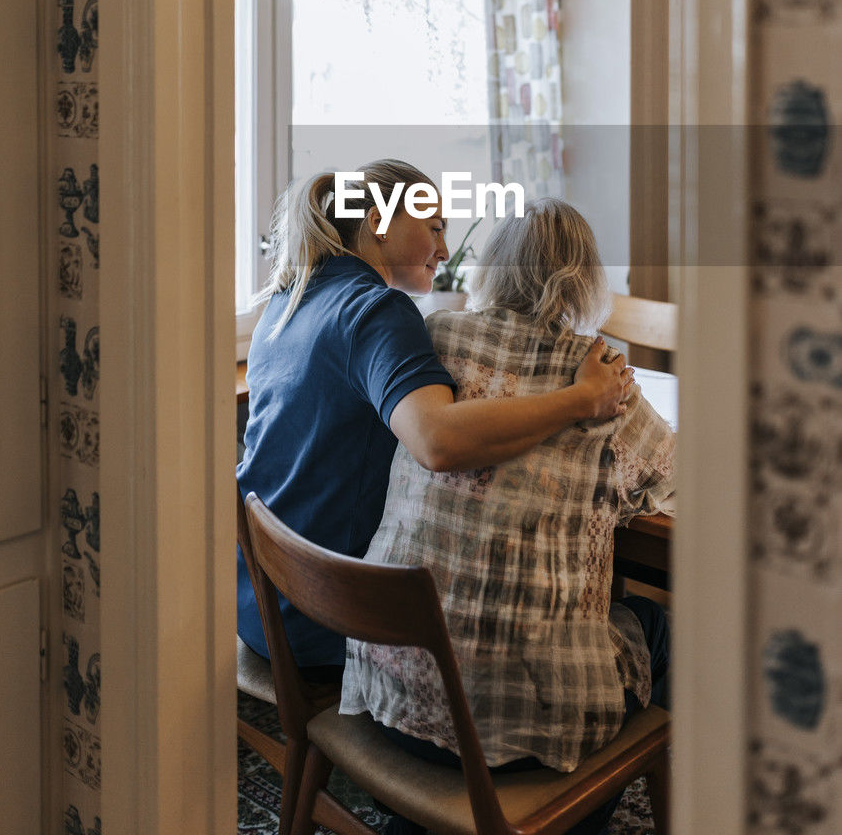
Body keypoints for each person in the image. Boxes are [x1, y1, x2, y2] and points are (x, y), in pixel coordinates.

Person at [340, 198, 675, 834]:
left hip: (389, 698)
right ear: (583, 280)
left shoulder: (436, 339)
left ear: (493, 266)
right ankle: (580, 812)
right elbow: (677, 478)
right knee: (659, 631)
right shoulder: (602, 377)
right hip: (512, 732)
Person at [237, 162, 634, 680]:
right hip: (332, 623)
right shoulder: (376, 310)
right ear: (379, 223)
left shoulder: (288, 299)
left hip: (263, 604)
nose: (445, 252)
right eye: (435, 228)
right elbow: (437, 441)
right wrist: (582, 398)